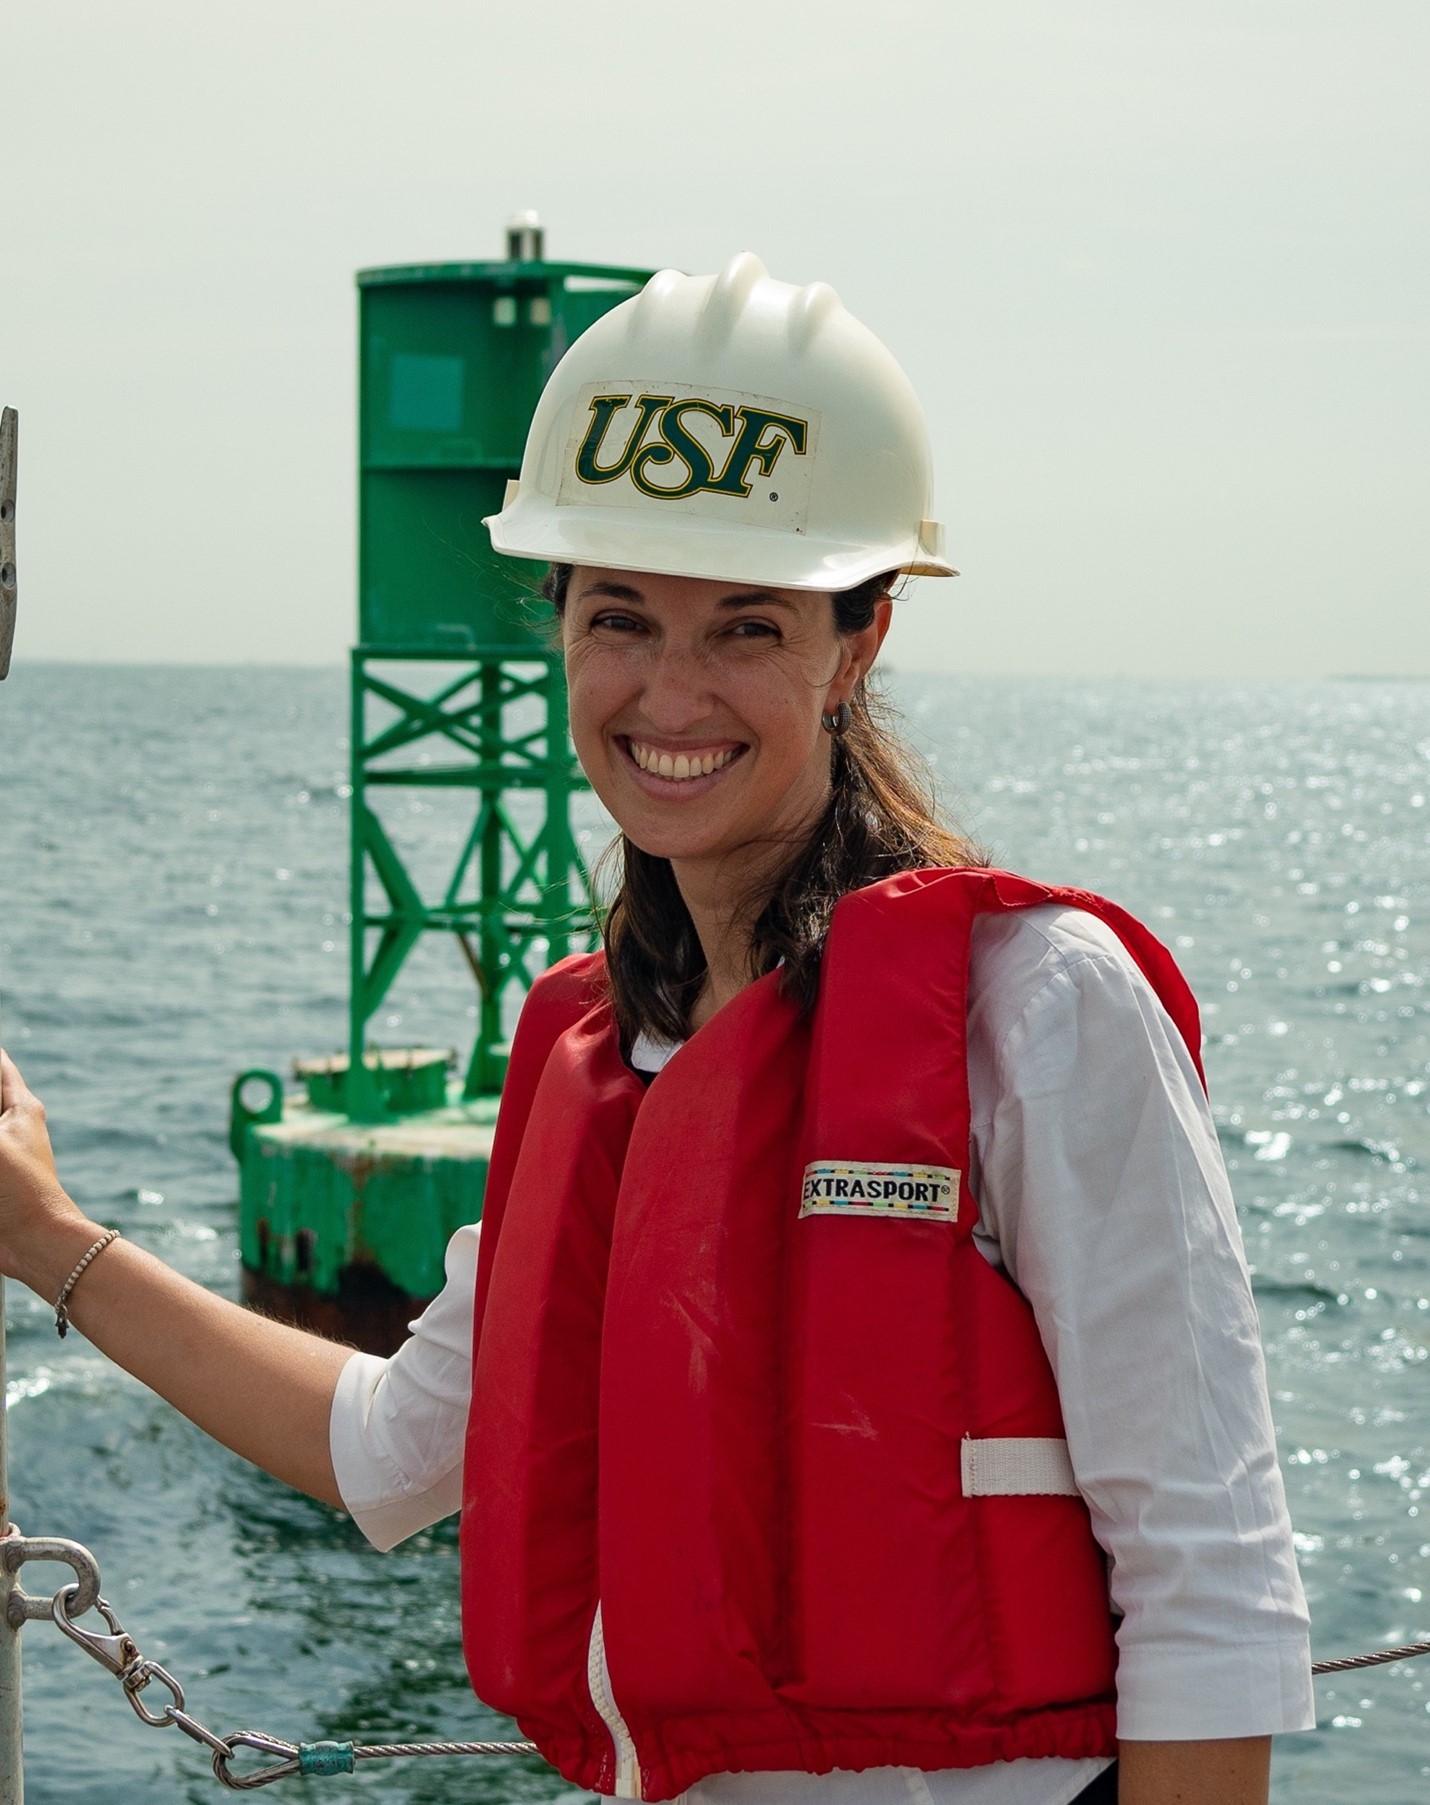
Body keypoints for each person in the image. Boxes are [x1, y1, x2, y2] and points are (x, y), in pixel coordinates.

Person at [0, 254, 1312, 1805]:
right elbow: (393, 1448)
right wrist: (44, 1233)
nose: (671, 692)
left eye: (747, 627)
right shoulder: (596, 1051)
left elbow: (1209, 1577)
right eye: (622, 616)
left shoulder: (1037, 1004)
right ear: (556, 621)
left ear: (858, 645)